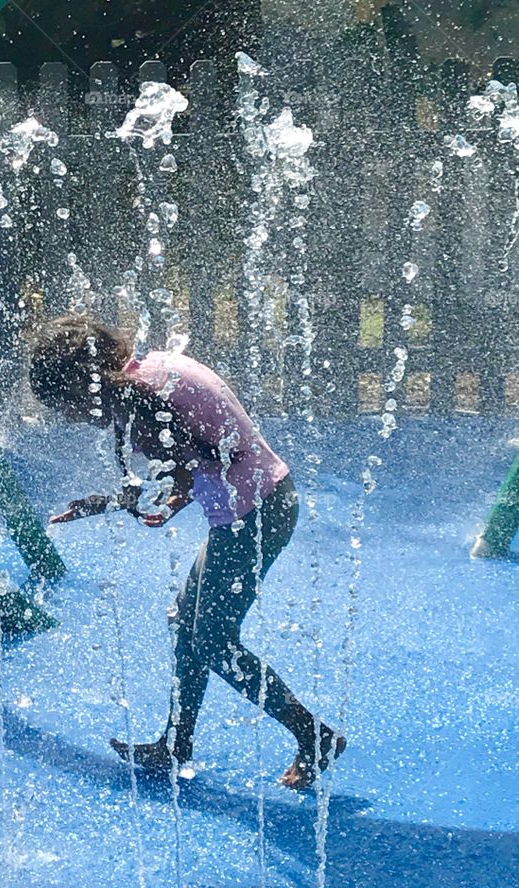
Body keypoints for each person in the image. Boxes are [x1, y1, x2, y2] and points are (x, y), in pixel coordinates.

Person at [27, 313, 345, 790]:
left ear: (81, 385)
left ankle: (313, 735)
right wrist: (172, 494)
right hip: (257, 505)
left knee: (214, 641)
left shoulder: (147, 401)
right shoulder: (148, 374)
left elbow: (181, 468)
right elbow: (203, 454)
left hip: (254, 515)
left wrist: (113, 503)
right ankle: (176, 742)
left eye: (63, 405)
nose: (67, 418)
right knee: (185, 622)